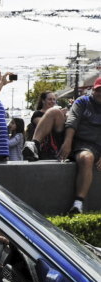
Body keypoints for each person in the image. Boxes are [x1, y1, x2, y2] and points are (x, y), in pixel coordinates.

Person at [58, 79, 101, 214]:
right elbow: (72, 121)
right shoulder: (82, 101)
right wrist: (67, 143)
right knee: (86, 158)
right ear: (93, 90)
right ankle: (78, 203)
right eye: (98, 90)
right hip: (82, 144)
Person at [22, 90, 67, 161]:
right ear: (43, 101)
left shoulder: (57, 114)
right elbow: (43, 126)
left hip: (55, 148)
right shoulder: (37, 114)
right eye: (49, 99)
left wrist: (62, 118)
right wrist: (58, 116)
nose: (52, 101)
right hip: (42, 149)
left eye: (54, 99)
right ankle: (34, 146)